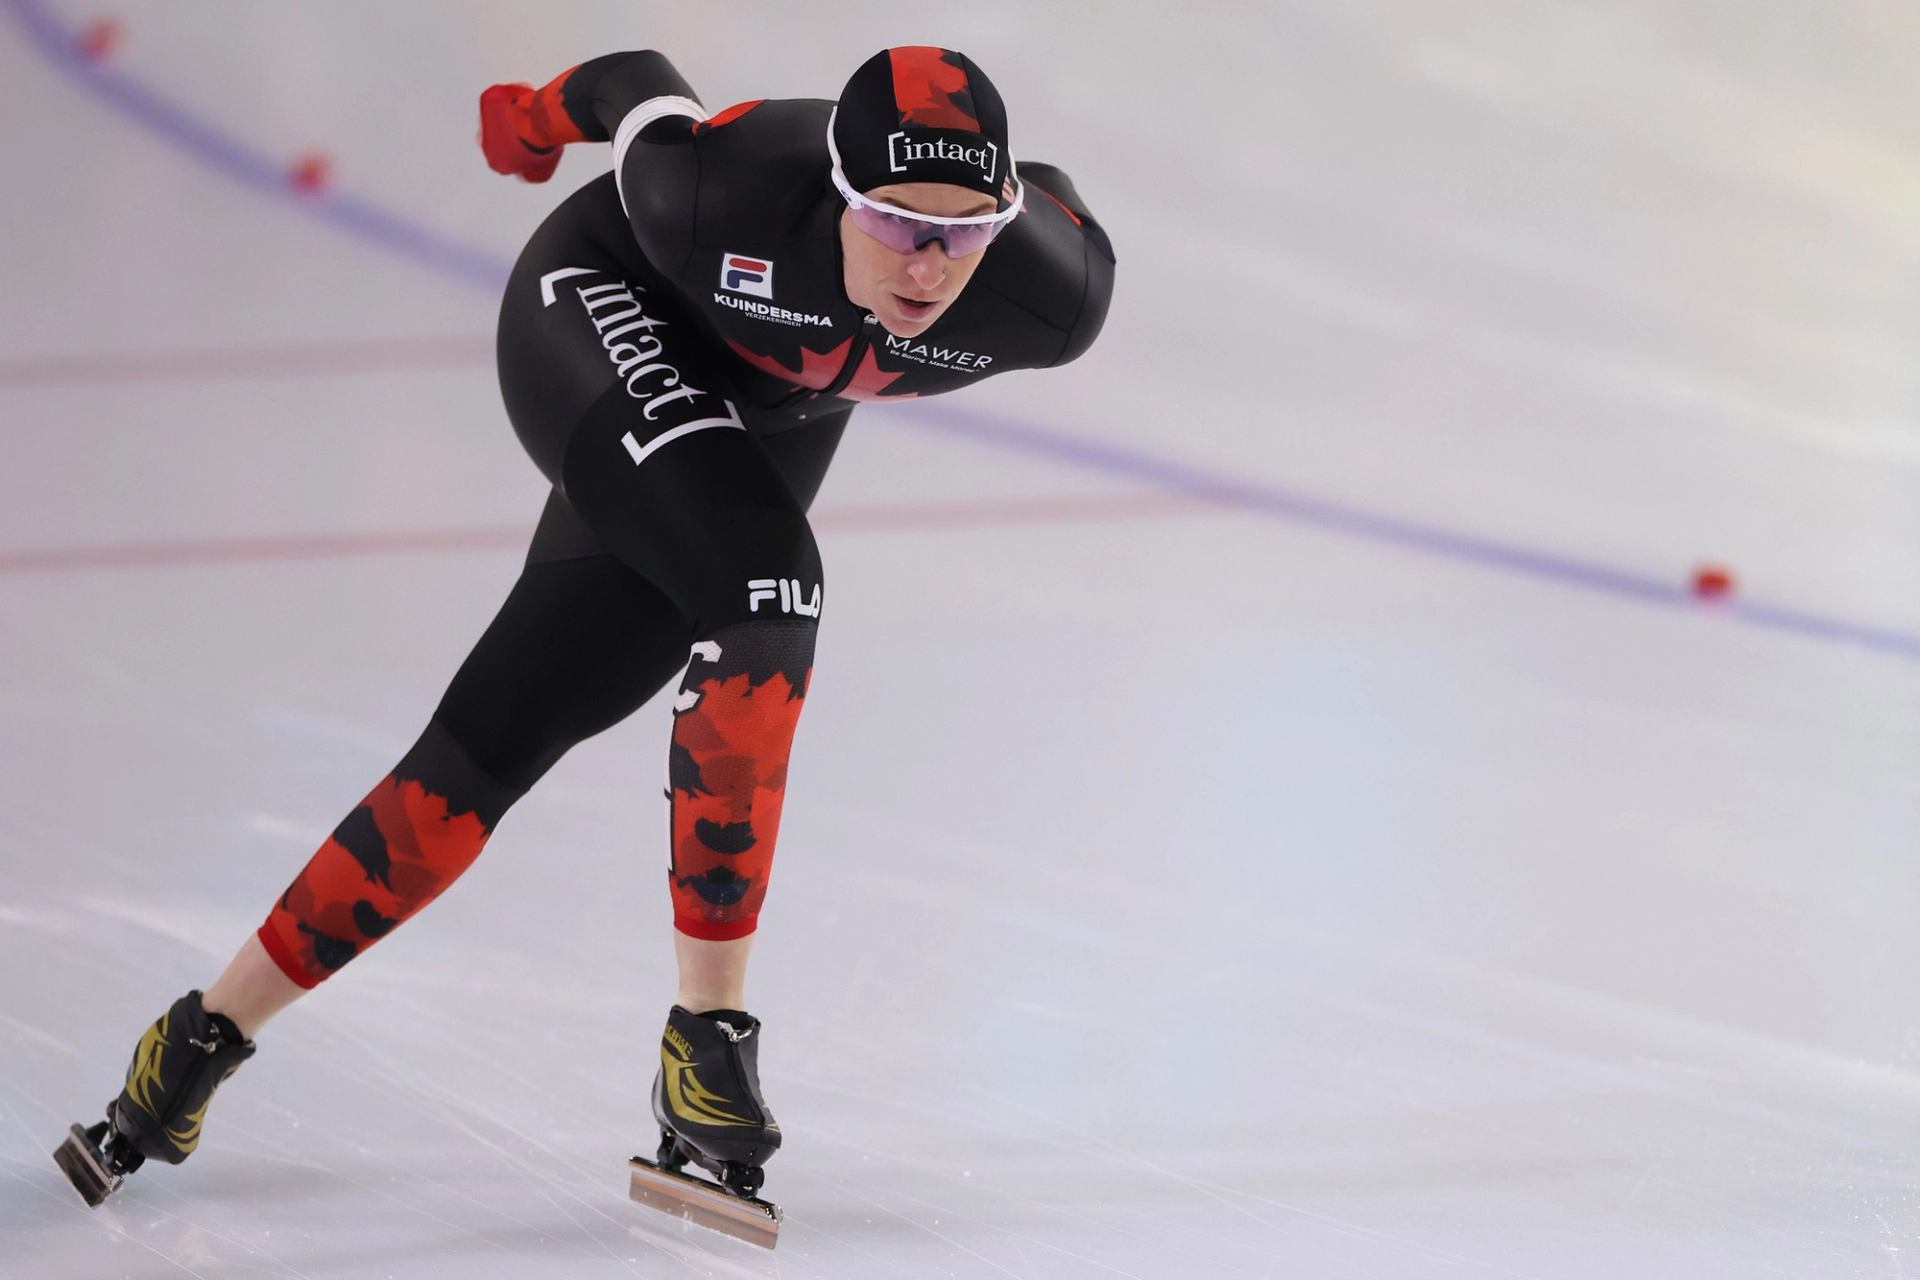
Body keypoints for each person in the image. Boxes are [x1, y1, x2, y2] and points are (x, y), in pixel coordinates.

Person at [54, 44, 1114, 1243]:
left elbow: (1055, 196)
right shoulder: (713, 191)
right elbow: (637, 80)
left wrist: (993, 220)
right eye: (892, 220)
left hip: (771, 413)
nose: (930, 265)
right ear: (836, 191)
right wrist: (532, 120)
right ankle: (706, 1040)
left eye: (966, 232)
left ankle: (198, 1035)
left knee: (492, 743)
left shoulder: (1051, 292)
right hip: (603, 307)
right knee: (770, 593)